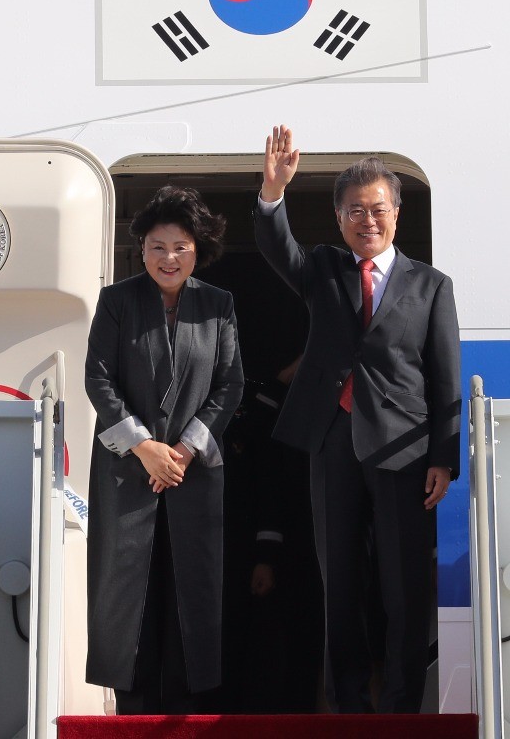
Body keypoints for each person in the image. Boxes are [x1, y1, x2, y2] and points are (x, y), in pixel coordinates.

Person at [254, 125, 461, 714]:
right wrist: (273, 192)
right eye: (353, 211)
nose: (366, 220)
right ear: (339, 217)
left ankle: (399, 703)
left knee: (402, 586)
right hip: (333, 440)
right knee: (338, 581)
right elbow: (277, 248)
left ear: (396, 212)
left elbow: (445, 376)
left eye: (377, 209)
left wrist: (444, 458)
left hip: (405, 448)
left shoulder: (430, 284)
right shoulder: (322, 269)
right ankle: (347, 704)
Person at [85, 186, 244, 715]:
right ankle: (130, 711)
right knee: (128, 593)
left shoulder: (218, 305)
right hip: (127, 473)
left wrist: (184, 451)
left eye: (180, 246)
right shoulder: (117, 301)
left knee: (190, 592)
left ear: (197, 249)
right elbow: (98, 379)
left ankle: (186, 713)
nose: (168, 258)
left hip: (193, 473)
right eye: (157, 246)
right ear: (142, 249)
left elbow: (230, 384)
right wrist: (145, 448)